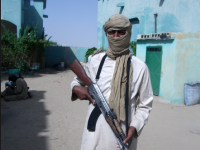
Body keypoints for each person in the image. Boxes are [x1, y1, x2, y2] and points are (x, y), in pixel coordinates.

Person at [71, 14, 153, 150]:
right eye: (111, 32)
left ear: (128, 34)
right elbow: (76, 81)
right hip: (94, 135)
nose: (116, 36)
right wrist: (77, 89)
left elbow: (145, 105)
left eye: (121, 32)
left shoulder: (139, 67)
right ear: (107, 34)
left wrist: (134, 126)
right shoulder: (95, 61)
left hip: (122, 136)